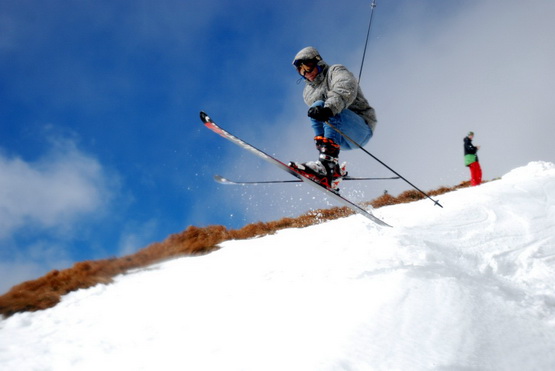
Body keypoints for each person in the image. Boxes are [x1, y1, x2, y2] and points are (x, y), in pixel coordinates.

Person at [289, 46, 377, 191]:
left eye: (308, 66)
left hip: (360, 128)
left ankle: (326, 166)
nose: (306, 72)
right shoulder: (308, 93)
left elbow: (343, 89)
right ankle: (329, 164)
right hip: (340, 139)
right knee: (315, 109)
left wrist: (329, 108)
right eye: (301, 70)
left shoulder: (335, 71)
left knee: (325, 107)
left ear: (317, 62)